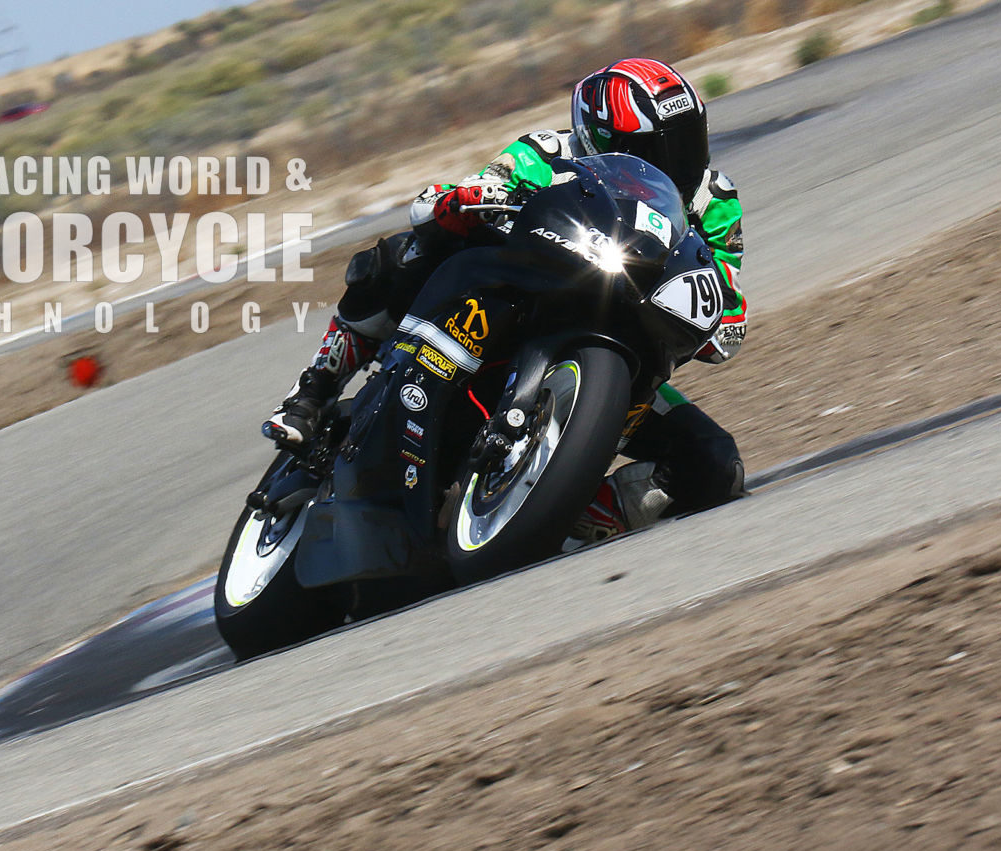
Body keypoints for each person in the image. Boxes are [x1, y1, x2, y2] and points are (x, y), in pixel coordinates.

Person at [262, 57, 747, 541]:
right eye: (652, 146)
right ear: (602, 139)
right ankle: (314, 389)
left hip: (630, 349)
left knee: (715, 463)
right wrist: (460, 201)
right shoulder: (549, 150)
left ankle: (563, 513)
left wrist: (720, 315)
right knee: (404, 253)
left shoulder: (716, 198)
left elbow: (724, 287)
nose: (678, 159)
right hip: (523, 296)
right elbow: (478, 187)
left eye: (687, 138)